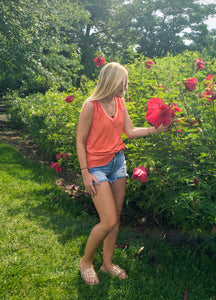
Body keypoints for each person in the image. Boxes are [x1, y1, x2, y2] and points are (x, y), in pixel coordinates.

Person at [76, 62, 166, 285]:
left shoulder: (119, 102)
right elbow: (80, 140)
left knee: (115, 218)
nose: (125, 87)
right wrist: (85, 173)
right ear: (110, 81)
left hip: (118, 163)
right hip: (96, 167)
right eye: (122, 82)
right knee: (107, 220)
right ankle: (86, 261)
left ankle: (107, 264)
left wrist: (156, 130)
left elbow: (130, 131)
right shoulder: (90, 105)